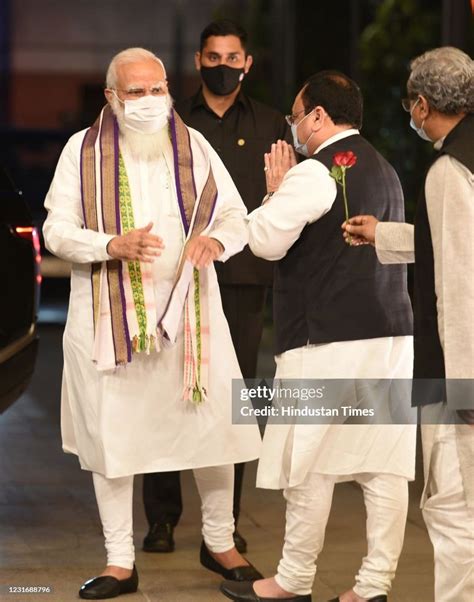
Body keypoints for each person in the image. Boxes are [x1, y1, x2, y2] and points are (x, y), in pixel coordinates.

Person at [43, 47, 263, 600]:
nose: (148, 102)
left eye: (156, 90)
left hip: (192, 316)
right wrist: (111, 244)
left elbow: (234, 214)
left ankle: (220, 543)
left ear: (169, 89)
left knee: (213, 430)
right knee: (114, 439)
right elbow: (56, 232)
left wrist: (215, 239)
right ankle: (120, 561)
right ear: (111, 97)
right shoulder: (81, 150)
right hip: (109, 322)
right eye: (135, 92)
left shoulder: (194, 145)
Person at [221, 71, 416, 602]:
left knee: (309, 465)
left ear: (319, 118)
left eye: (296, 116)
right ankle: (372, 587)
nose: (293, 126)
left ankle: (293, 580)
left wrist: (272, 192)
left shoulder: (314, 172)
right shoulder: (386, 169)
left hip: (325, 338)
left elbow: (263, 242)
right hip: (391, 335)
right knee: (383, 465)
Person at [142, 19, 290, 556]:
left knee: (234, 401)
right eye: (213, 57)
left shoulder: (274, 125)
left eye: (233, 58)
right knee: (164, 392)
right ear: (199, 61)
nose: (223, 66)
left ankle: (223, 523)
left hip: (245, 281)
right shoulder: (171, 122)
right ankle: (160, 519)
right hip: (176, 278)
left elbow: (282, 204)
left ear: (248, 64)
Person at [342, 47, 474, 602]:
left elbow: (459, 281)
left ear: (421, 104)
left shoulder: (451, 167)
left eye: (410, 105)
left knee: (454, 506)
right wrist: (389, 234)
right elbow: (451, 243)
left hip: (461, 372)